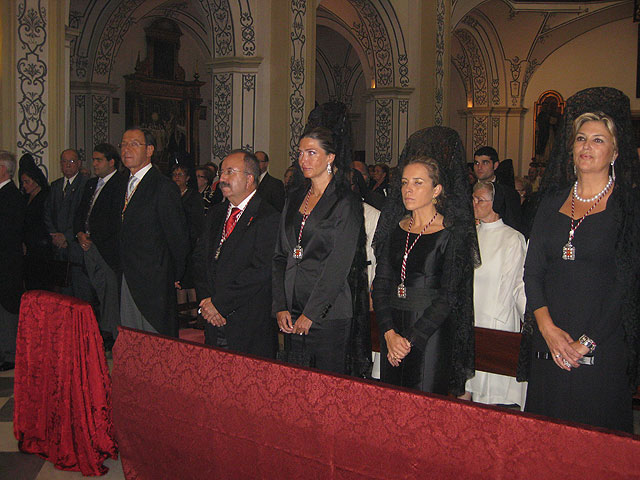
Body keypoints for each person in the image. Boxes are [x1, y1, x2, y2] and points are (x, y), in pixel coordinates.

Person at [520, 87, 640, 432]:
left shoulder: (627, 207)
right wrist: (547, 329)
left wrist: (584, 343)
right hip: (550, 339)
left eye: (598, 140)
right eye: (581, 139)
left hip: (601, 342)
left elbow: (627, 284)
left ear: (615, 152)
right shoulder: (550, 201)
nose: (587, 146)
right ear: (571, 148)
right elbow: (533, 271)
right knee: (547, 438)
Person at [372, 127, 479, 395]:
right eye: (405, 182)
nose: (408, 189)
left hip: (430, 334)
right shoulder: (396, 229)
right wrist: (389, 333)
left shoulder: (451, 233)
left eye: (418, 183)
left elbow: (449, 295)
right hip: (393, 329)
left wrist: (410, 340)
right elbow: (381, 283)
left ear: (437, 190)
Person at [273, 127, 363, 374]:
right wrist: (281, 304)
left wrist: (311, 313)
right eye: (301, 153)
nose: (304, 160)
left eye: (312, 153)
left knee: (325, 392)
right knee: (296, 386)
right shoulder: (294, 197)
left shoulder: (345, 201)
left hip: (327, 312)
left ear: (330, 157)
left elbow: (339, 264)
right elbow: (280, 255)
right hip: (292, 307)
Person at [193, 150, 280, 357]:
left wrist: (220, 304)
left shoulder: (268, 217)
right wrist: (207, 301)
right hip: (213, 317)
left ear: (250, 179)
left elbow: (259, 271)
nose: (222, 179)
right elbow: (200, 259)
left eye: (230, 172)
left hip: (247, 321)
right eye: (222, 173)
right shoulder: (215, 214)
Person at [119, 127, 189, 337]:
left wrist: (176, 274)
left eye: (134, 144)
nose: (126, 149)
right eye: (123, 144)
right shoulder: (122, 183)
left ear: (149, 150)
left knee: (155, 339)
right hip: (128, 273)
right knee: (132, 337)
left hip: (154, 277)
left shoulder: (162, 187)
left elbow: (178, 236)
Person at [463, 181, 527, 408]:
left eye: (480, 200)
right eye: (473, 198)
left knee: (492, 394)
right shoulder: (470, 235)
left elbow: (514, 284)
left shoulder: (512, 238)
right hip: (470, 315)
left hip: (495, 318)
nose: (474, 203)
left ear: (495, 203)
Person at [74, 144, 127, 343]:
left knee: (111, 293)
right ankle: (101, 330)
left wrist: (93, 237)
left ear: (111, 162)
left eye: (98, 160)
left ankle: (111, 334)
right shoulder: (90, 184)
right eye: (93, 160)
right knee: (97, 289)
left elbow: (114, 219)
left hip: (107, 247)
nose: (94, 164)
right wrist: (79, 233)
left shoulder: (120, 184)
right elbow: (81, 212)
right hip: (88, 244)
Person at [44, 149, 90, 300]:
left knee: (79, 294)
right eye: (64, 161)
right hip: (57, 249)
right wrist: (54, 235)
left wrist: (67, 236)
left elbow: (83, 216)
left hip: (75, 248)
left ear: (78, 163)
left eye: (71, 161)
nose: (67, 165)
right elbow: (48, 213)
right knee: (61, 295)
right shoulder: (56, 185)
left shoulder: (85, 184)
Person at [0, 151, 25, 371]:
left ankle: (10, 354)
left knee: (8, 310)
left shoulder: (11, 196)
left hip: (7, 262)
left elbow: (9, 232)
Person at [171, 163, 205, 318]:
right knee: (178, 281)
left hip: (190, 243)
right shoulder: (170, 195)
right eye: (175, 174)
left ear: (187, 178)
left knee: (190, 281)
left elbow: (198, 222)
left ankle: (192, 315)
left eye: (180, 174)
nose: (177, 177)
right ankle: (180, 314)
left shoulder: (193, 196)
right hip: (175, 243)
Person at [19, 154, 52, 290]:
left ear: (36, 180)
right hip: (29, 249)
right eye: (23, 183)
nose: (24, 185)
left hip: (42, 248)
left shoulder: (46, 195)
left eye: (27, 182)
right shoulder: (25, 198)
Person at [473, 146, 522, 233]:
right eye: (476, 163)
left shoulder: (508, 194)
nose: (479, 167)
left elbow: (514, 224)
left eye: (485, 163)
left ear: (495, 165)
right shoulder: (466, 191)